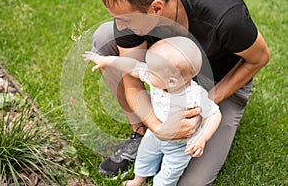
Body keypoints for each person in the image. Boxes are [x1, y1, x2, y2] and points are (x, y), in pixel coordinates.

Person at [90, 0, 270, 185]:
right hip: (161, 71)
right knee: (104, 38)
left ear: (156, 8)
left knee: (192, 183)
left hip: (220, 82)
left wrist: (200, 108)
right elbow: (132, 81)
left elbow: (260, 58)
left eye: (125, 19)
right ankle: (140, 133)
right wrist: (157, 127)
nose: (120, 26)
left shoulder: (226, 17)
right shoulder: (129, 17)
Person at [84, 37, 222, 185]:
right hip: (155, 134)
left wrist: (202, 139)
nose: (145, 71)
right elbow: (133, 66)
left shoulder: (194, 95)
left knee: (170, 172)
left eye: (150, 70)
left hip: (180, 144)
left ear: (172, 82)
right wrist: (108, 61)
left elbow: (215, 114)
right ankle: (138, 179)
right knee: (144, 155)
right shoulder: (157, 77)